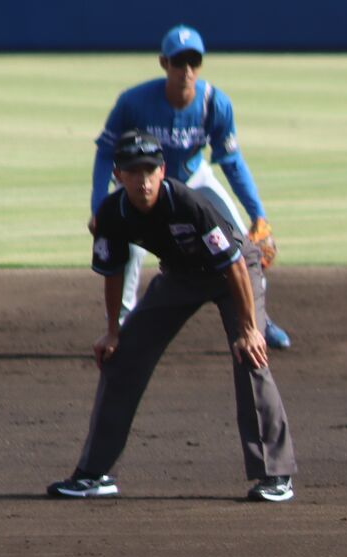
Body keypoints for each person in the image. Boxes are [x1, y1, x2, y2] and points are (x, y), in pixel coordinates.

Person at [49, 130, 297, 502]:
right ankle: (95, 473)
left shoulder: (186, 202)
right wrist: (112, 331)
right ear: (118, 174)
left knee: (250, 355)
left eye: (150, 169)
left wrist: (248, 329)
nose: (143, 180)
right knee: (122, 356)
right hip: (180, 275)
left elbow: (234, 266)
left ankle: (275, 475)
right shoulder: (112, 214)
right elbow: (113, 271)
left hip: (235, 272)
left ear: (162, 170)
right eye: (134, 171)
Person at [89, 24, 292, 350]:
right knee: (128, 247)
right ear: (163, 62)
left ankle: (260, 321)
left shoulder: (214, 103)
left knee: (242, 243)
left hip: (194, 178)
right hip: (146, 185)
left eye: (193, 62)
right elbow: (105, 153)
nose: (186, 70)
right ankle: (121, 327)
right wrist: (99, 207)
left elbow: (232, 161)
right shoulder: (134, 102)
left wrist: (258, 214)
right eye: (178, 61)